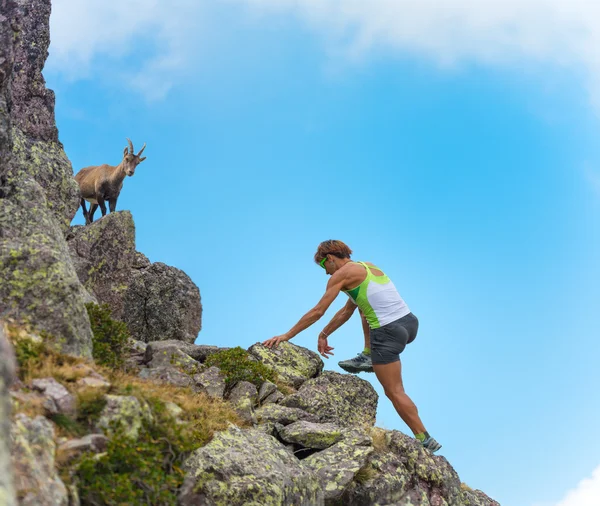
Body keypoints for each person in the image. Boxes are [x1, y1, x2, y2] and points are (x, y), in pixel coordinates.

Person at [262, 240, 442, 452]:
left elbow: (318, 311)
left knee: (394, 391)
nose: (326, 273)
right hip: (409, 323)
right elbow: (348, 310)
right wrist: (324, 333)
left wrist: (287, 335)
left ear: (329, 258)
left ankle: (425, 438)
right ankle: (367, 354)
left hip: (387, 332)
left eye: (323, 266)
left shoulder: (341, 275)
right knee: (361, 305)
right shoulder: (367, 266)